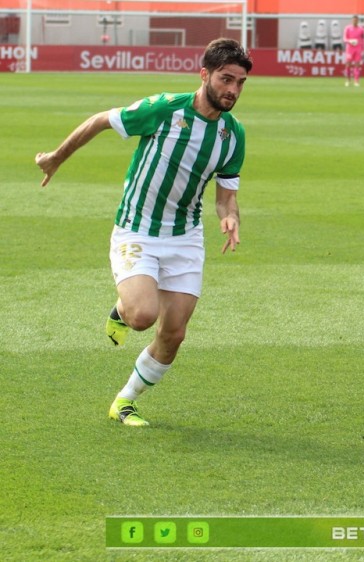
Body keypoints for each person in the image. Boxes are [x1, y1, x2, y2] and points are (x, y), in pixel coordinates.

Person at [34, 38, 252, 427]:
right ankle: (122, 310)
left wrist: (229, 216)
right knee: (141, 317)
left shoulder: (233, 135)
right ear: (204, 75)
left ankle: (125, 401)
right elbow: (102, 119)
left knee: (174, 334)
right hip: (137, 229)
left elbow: (225, 197)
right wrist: (56, 157)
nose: (233, 90)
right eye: (226, 79)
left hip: (185, 238)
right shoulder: (164, 110)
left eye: (240, 82)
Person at [344, 15, 364, 87]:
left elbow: (363, 39)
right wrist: (350, 41)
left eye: (356, 20)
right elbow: (344, 38)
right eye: (354, 20)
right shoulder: (348, 28)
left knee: (357, 64)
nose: (355, 21)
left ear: (358, 21)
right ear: (352, 20)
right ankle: (348, 80)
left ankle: (356, 81)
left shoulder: (361, 29)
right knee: (348, 64)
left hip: (358, 49)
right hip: (350, 48)